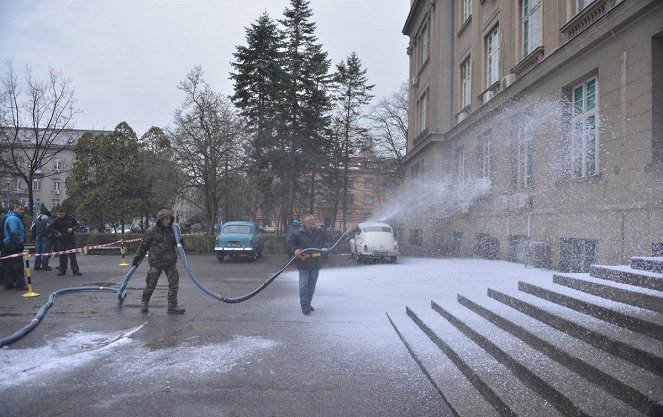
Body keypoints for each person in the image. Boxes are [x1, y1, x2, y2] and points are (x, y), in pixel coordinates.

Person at [132, 209, 185, 314]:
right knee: (151, 284)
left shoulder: (172, 230)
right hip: (156, 262)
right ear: (160, 220)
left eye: (169, 219)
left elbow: (177, 244)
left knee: (174, 283)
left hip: (170, 262)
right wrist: (137, 257)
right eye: (166, 219)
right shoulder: (151, 231)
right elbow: (143, 246)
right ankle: (144, 302)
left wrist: (180, 242)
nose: (168, 221)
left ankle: (172, 306)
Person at [286, 214, 326, 315]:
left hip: (316, 263)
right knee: (304, 285)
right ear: (304, 223)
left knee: (311, 285)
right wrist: (294, 250)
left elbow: (331, 237)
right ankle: (304, 305)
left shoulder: (320, 232)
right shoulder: (297, 233)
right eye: (310, 221)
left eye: (314, 220)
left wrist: (345, 235)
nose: (313, 222)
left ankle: (308, 303)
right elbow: (289, 245)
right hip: (304, 263)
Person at [46, 208, 82, 276]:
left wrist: (72, 229)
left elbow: (77, 225)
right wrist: (57, 232)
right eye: (58, 214)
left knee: (72, 256)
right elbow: (49, 228)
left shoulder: (71, 218)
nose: (59, 216)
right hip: (61, 240)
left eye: (61, 214)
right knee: (62, 256)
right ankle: (62, 271)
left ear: (64, 213)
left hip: (70, 239)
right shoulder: (56, 220)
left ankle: (75, 271)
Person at [1, 202, 28, 291]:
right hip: (14, 244)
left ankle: (8, 284)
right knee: (18, 265)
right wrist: (19, 243)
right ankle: (20, 285)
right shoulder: (13, 218)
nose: (22, 211)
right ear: (15, 209)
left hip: (8, 244)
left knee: (7, 265)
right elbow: (13, 232)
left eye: (23, 209)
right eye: (20, 209)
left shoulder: (9, 217)